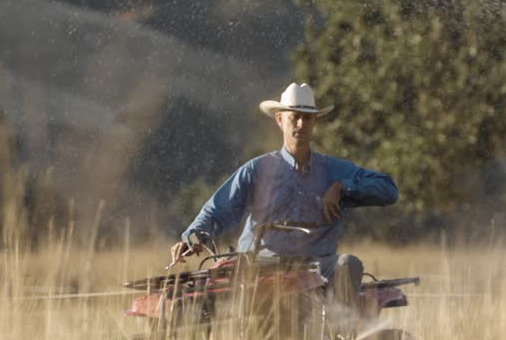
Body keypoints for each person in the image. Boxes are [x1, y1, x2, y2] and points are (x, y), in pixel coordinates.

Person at [170, 82, 398, 307]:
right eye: (294, 116)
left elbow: (388, 189)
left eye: (307, 117)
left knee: (349, 264)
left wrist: (342, 187)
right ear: (280, 120)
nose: (300, 123)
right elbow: (218, 210)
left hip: (316, 265)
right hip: (260, 263)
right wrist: (193, 236)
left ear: (314, 122)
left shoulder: (334, 170)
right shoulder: (256, 170)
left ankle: (340, 330)